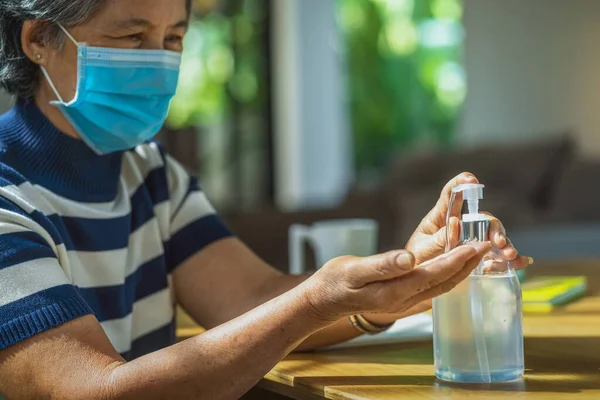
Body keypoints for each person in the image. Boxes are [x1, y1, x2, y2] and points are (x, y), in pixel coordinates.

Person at [0, 0, 531, 398]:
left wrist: (405, 275)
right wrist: (318, 300)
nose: (158, 62)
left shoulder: (151, 174)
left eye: (173, 39)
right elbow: (98, 391)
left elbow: (253, 295)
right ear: (39, 39)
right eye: (133, 37)